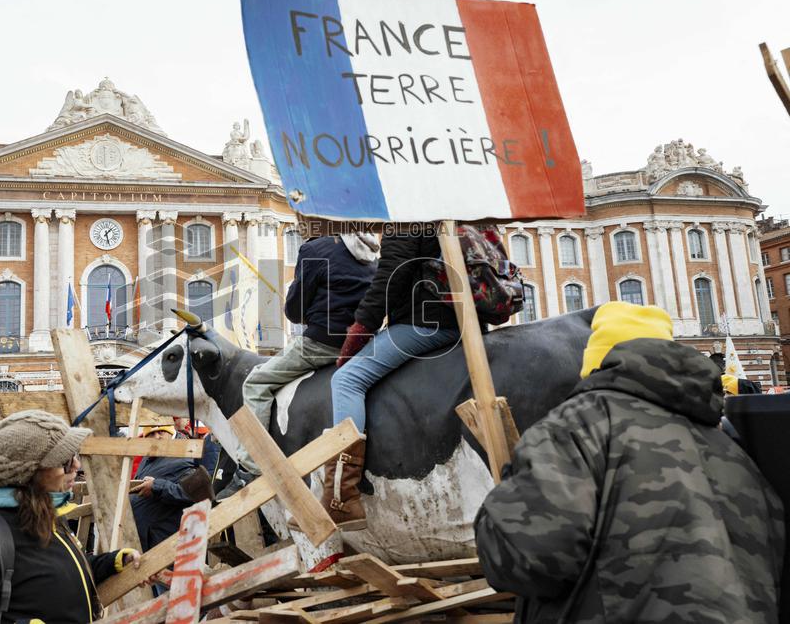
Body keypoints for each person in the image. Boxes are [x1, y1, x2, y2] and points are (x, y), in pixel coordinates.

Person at [474, 302, 784, 622]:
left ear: (596, 362)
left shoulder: (576, 428)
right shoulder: (734, 449)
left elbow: (524, 557)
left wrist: (502, 504)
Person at [0, 411, 139, 623]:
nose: (76, 466)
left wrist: (112, 563)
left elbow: (57, 573)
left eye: (74, 456)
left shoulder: (46, 517)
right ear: (29, 472)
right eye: (64, 461)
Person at [319, 225, 462, 530]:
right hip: (466, 322)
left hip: (426, 321)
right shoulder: (452, 208)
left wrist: (359, 331)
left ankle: (341, 497)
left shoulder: (407, 215)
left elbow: (390, 279)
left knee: (346, 380)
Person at [219, 232, 379, 499]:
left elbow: (294, 310)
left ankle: (249, 469)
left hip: (321, 343)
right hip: (361, 344)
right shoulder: (371, 251)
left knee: (257, 383)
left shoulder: (316, 248)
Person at [130, 425, 196, 554]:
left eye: (161, 432)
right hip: (145, 538)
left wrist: (156, 487)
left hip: (163, 539)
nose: (157, 437)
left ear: (170, 434)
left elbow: (192, 492)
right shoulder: (148, 457)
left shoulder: (183, 456)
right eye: (151, 434)